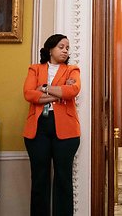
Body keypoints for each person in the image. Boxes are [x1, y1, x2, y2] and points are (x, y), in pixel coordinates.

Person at [23, 34, 81, 216]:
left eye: (67, 48)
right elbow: (29, 94)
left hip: (67, 131)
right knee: (39, 179)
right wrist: (59, 93)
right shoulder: (35, 69)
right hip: (37, 129)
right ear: (50, 49)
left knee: (63, 179)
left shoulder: (72, 70)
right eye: (61, 47)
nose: (65, 50)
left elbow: (73, 90)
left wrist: (44, 88)